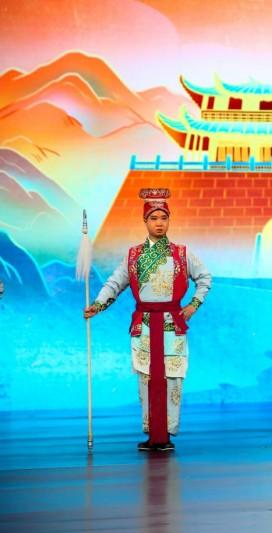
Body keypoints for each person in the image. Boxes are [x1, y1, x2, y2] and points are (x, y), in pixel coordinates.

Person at [84, 188, 211, 451]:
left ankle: (166, 434)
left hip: (171, 324)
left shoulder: (182, 253)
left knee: (172, 377)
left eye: (164, 218)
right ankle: (153, 434)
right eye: (153, 218)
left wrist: (194, 304)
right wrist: (97, 305)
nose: (159, 223)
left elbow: (204, 278)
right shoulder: (133, 256)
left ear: (169, 220)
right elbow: (115, 283)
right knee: (146, 377)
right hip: (144, 325)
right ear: (145, 221)